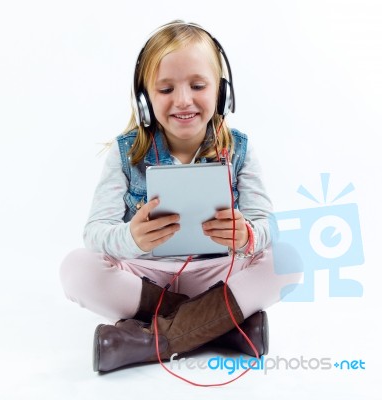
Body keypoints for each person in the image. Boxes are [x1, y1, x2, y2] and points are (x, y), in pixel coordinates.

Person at [60, 20, 302, 373]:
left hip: (217, 272)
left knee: (289, 259)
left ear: (222, 93)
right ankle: (220, 325)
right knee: (75, 267)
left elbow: (267, 226)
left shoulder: (239, 150)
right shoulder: (125, 152)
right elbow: (95, 233)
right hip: (147, 276)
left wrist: (247, 235)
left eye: (198, 85)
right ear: (144, 100)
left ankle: (146, 341)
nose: (183, 100)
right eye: (166, 89)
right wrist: (130, 239)